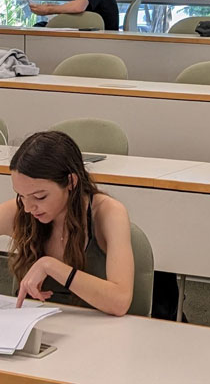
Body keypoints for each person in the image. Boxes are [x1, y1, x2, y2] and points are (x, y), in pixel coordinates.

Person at [0, 131, 134, 315]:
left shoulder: (108, 213)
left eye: (40, 196)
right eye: (21, 196)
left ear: (71, 182)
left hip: (96, 331)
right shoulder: (22, 210)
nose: (29, 207)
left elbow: (120, 301)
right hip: (32, 329)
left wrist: (50, 266)